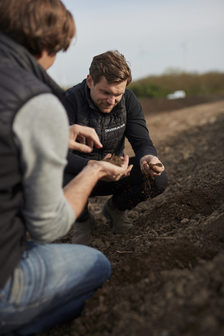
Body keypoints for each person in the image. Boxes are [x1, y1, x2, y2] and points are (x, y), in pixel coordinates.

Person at [0, 1, 132, 335]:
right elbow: (48, 226)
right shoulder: (35, 100)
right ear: (47, 46)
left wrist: (55, 135)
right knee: (97, 265)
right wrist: (94, 170)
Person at [63, 50, 168, 245]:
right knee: (51, 176)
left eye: (118, 94)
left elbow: (142, 141)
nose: (112, 101)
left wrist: (148, 158)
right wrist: (95, 167)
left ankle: (116, 209)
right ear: (90, 81)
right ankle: (83, 221)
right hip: (78, 174)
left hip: (115, 171)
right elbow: (59, 155)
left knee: (158, 178)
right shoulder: (68, 101)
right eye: (105, 92)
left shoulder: (128, 100)